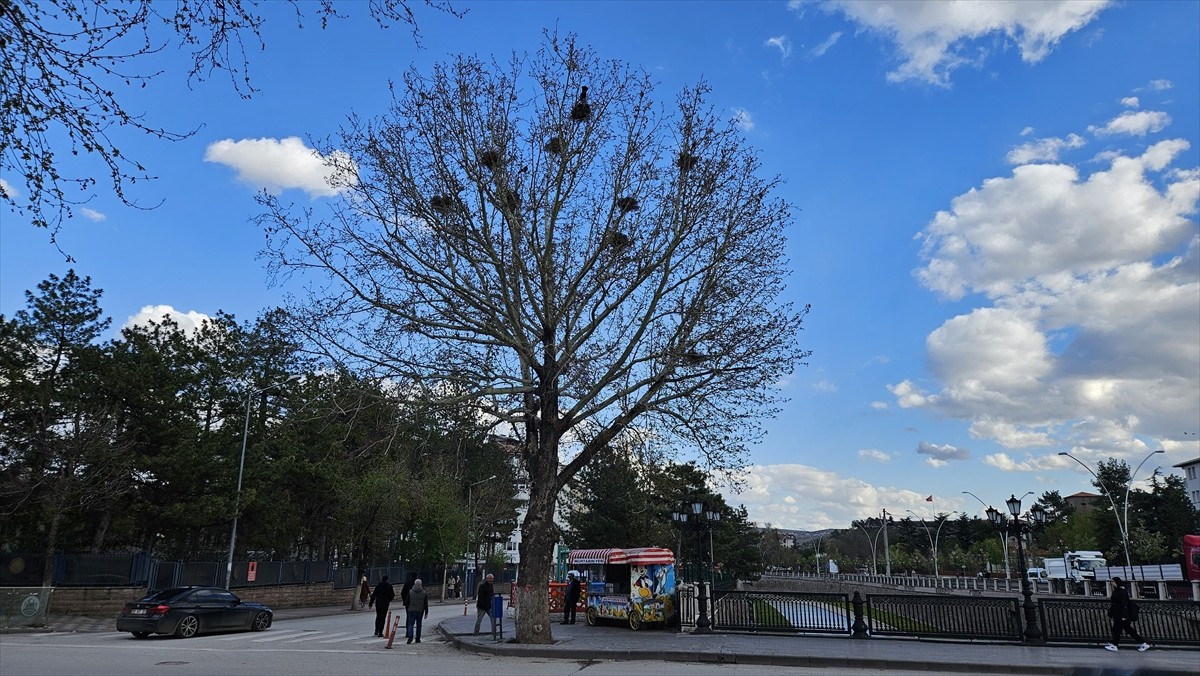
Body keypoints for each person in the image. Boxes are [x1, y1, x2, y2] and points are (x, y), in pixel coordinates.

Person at [1104, 577, 1150, 652]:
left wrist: (1124, 616)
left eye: (1113, 581)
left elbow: (1124, 605)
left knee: (1125, 630)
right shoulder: (1118, 590)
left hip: (1121, 615)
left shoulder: (1121, 592)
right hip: (1118, 614)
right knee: (1118, 629)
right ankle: (1114, 644)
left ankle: (1142, 643)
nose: (1111, 583)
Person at [404, 578, 430, 644]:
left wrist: (407, 608)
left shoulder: (410, 592)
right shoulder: (424, 593)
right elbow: (425, 603)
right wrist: (426, 612)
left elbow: (407, 602)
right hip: (420, 611)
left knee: (410, 624)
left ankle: (410, 637)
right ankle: (418, 638)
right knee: (419, 625)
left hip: (411, 610)